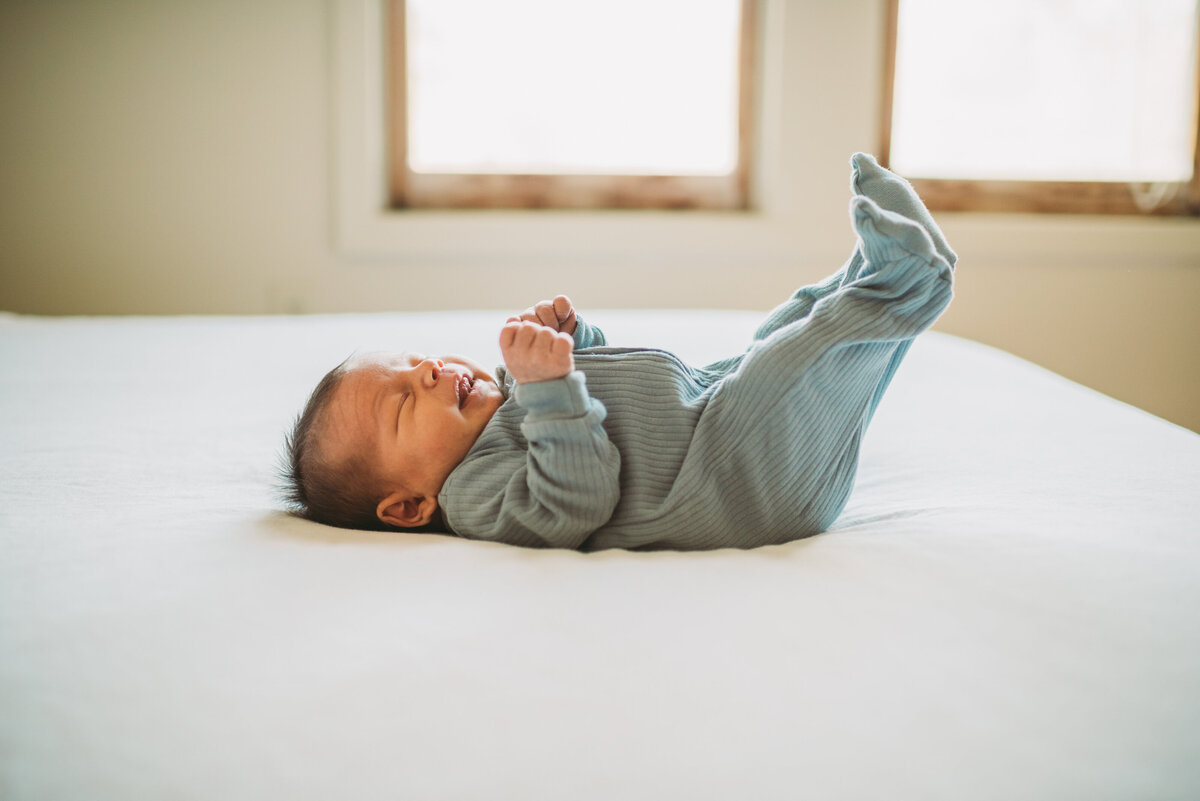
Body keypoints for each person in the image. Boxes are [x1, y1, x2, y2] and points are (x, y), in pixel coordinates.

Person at [282, 153, 957, 551]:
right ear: (407, 506)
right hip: (735, 484)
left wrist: (576, 345)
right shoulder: (472, 496)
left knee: (780, 335)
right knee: (794, 362)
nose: (429, 371)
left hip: (707, 415)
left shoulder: (509, 396)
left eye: (415, 361)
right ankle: (905, 280)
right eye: (404, 401)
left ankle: (874, 270)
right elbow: (574, 496)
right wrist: (549, 387)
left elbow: (603, 398)